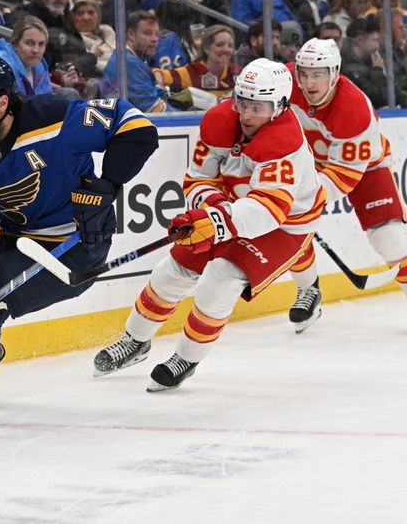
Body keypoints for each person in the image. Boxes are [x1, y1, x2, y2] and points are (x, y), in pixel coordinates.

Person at [0, 54, 159, 419]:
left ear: (1, 102)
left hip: (75, 246)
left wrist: (109, 183)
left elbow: (135, 125)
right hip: (15, 237)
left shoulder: (54, 118)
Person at [93, 58, 325, 391]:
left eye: (257, 107)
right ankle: (135, 341)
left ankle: (186, 358)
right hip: (231, 210)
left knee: (221, 279)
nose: (245, 114)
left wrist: (215, 220)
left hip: (285, 225)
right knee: (172, 270)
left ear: (279, 107)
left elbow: (267, 211)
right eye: (242, 102)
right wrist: (212, 208)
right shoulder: (220, 120)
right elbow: (198, 178)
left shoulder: (284, 144)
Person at [286, 38, 407, 331]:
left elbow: (341, 178)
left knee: (389, 237)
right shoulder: (284, 83)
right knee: (287, 227)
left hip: (365, 168)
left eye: (318, 74)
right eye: (304, 73)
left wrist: (302, 201)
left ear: (335, 73)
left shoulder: (354, 109)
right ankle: (308, 291)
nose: (309, 82)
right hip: (304, 162)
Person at [102, 11, 175, 113]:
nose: (154, 39)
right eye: (147, 33)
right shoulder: (128, 63)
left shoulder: (126, 58)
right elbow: (156, 110)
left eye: (156, 34)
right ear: (131, 34)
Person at [155, 24, 241, 102]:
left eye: (230, 45)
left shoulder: (238, 73)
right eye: (220, 45)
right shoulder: (193, 71)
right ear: (206, 48)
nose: (226, 50)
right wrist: (159, 84)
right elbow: (157, 73)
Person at [0, 14, 52, 97]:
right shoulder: (0, 66)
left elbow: (48, 99)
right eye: (29, 43)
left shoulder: (40, 66)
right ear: (15, 44)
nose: (36, 50)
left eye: (41, 44)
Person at [341, 17, 387, 108]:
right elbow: (377, 98)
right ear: (360, 40)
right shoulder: (349, 69)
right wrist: (377, 71)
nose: (377, 46)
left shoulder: (368, 60)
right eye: (374, 40)